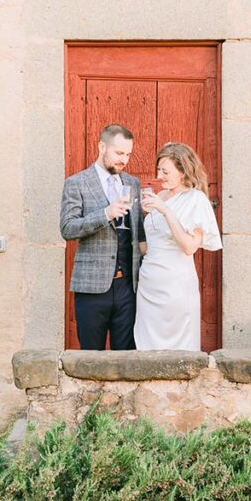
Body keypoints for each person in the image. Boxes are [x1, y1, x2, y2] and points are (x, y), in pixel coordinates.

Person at [59, 124, 145, 350]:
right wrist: (105, 214)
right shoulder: (76, 183)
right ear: (101, 147)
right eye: (119, 153)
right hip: (91, 287)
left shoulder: (132, 183)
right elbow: (67, 228)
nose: (124, 160)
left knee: (126, 356)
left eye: (128, 154)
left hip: (128, 286)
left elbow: (139, 233)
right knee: (90, 356)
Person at [134, 142, 222, 351]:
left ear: (183, 171)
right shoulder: (159, 196)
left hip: (175, 287)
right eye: (158, 170)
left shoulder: (195, 199)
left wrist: (166, 211)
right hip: (148, 284)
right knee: (146, 346)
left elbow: (189, 247)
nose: (160, 175)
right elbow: (148, 245)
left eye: (165, 171)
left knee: (178, 347)